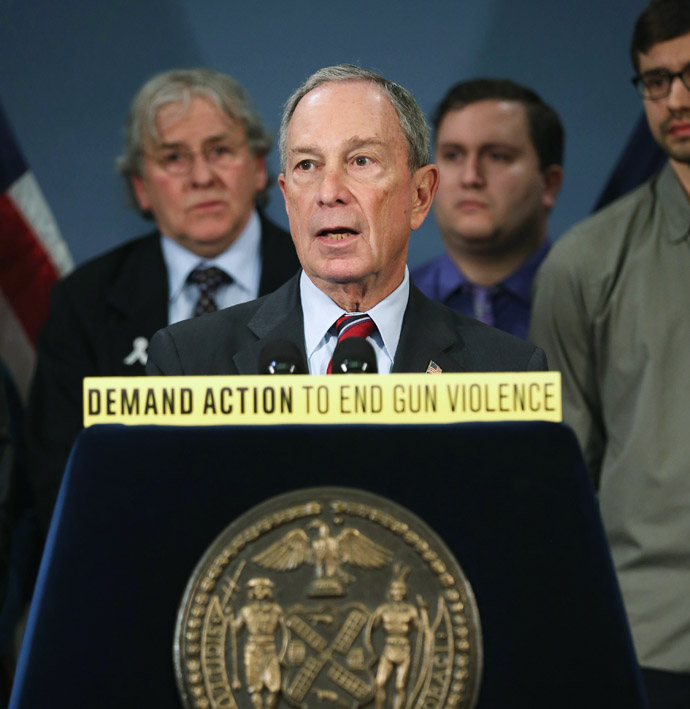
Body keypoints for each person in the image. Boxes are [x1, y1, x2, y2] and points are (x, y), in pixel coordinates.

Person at [27, 68, 300, 531]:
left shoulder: (324, 279)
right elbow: (58, 476)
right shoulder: (85, 301)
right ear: (140, 186)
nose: (201, 176)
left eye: (220, 151)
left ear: (258, 168)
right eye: (174, 157)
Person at [146, 65, 546, 377]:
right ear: (287, 198)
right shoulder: (187, 361)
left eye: (361, 161)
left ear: (420, 195)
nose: (329, 191)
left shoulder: (506, 368)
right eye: (307, 165)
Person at [529, 1, 690, 705]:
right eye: (655, 82)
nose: (675, 99)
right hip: (648, 638)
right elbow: (563, 470)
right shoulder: (585, 262)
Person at [412, 79, 563, 340]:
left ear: (549, 184)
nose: (470, 177)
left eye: (497, 156)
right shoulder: (391, 306)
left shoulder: (591, 301)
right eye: (453, 155)